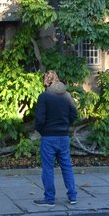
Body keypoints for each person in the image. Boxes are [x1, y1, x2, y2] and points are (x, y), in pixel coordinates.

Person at [33, 70, 78, 207]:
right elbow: (74, 115)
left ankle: (50, 198)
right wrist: (65, 125)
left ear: (46, 82)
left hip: (49, 137)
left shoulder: (44, 97)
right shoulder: (67, 96)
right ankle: (72, 196)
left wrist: (42, 131)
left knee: (48, 168)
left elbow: (39, 120)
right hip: (63, 137)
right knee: (67, 167)